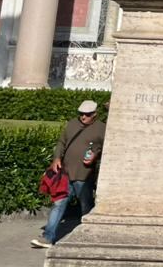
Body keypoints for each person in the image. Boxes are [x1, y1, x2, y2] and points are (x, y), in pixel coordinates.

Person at [33, 100, 106, 249]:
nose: (83, 117)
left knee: (86, 206)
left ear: (95, 114)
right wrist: (56, 158)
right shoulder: (72, 124)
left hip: (84, 175)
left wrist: (95, 156)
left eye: (87, 114)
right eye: (81, 114)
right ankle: (48, 237)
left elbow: (106, 149)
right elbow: (62, 142)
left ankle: (89, 235)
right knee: (58, 204)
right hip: (65, 174)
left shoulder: (102, 129)